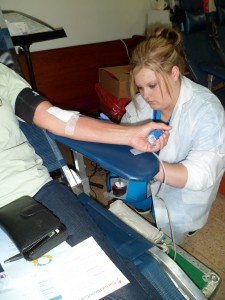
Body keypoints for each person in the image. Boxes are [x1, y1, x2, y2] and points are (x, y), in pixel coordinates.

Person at [0, 62, 171, 299]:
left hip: (33, 193)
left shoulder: (1, 75)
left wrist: (130, 135)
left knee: (118, 290)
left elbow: (53, 117)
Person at [121, 25, 225, 245]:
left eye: (151, 85)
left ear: (174, 72)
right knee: (121, 186)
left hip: (185, 185)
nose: (145, 95)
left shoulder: (207, 110)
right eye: (140, 87)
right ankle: (146, 202)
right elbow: (125, 128)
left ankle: (191, 221)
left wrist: (149, 167)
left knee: (176, 224)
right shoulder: (143, 100)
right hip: (153, 170)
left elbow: (201, 173)